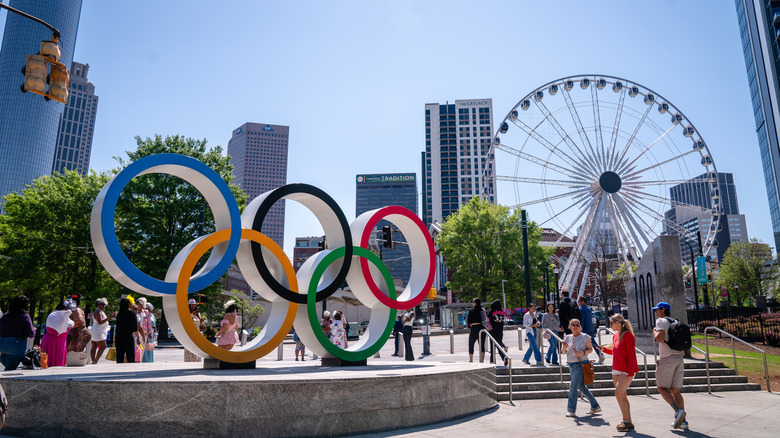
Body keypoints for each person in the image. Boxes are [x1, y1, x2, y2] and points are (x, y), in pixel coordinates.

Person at [653, 301, 688, 430]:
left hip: (667, 358)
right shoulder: (675, 321)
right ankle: (683, 422)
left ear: (663, 310)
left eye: (657, 310)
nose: (656, 312)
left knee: (661, 387)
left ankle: (678, 411)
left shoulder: (660, 322)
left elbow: (660, 338)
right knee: (676, 391)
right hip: (679, 357)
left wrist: (655, 332)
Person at [601, 313, 638, 432]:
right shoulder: (616, 335)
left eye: (611, 323)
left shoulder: (628, 335)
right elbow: (615, 352)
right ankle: (628, 421)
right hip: (616, 369)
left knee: (618, 393)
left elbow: (631, 355)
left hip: (626, 370)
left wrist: (631, 371)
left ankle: (625, 421)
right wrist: (604, 350)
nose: (610, 325)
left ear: (618, 323)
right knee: (622, 395)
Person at [561, 318, 601, 417]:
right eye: (573, 325)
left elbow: (590, 350)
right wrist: (564, 348)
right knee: (581, 386)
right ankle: (595, 406)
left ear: (580, 327)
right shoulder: (567, 337)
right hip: (571, 364)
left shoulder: (585, 337)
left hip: (581, 364)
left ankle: (571, 409)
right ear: (570, 327)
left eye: (577, 325)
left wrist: (582, 352)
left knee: (573, 386)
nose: (575, 327)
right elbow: (563, 352)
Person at [0, 296, 35, 371]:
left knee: (8, 366)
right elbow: (30, 334)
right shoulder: (24, 316)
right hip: (16, 345)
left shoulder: (5, 315)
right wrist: (34, 330)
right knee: (9, 370)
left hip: (2, 345)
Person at [41, 302, 74, 367]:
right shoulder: (61, 316)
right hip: (59, 341)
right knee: (58, 363)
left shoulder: (52, 314)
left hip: (51, 339)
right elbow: (71, 324)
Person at [578, 296, 605, 364]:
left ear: (582, 301)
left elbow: (583, 320)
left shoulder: (582, 310)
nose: (578, 302)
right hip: (590, 328)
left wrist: (581, 329)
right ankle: (600, 354)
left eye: (579, 301)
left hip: (585, 329)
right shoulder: (588, 309)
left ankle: (599, 355)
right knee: (593, 342)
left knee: (585, 343)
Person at [89, 298, 115, 364]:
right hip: (98, 331)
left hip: (95, 330)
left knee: (94, 346)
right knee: (103, 346)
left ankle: (93, 360)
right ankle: (95, 361)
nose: (104, 306)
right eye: (103, 304)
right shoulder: (98, 312)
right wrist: (109, 317)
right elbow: (100, 322)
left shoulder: (97, 311)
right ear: (98, 305)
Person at [114, 298, 138, 363]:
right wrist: (138, 337)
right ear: (128, 305)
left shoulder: (119, 314)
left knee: (119, 357)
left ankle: (118, 370)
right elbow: (135, 328)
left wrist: (114, 338)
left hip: (119, 337)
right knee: (130, 356)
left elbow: (117, 327)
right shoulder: (132, 313)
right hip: (128, 336)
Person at [487, 300, 508, 366]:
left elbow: (487, 318)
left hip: (492, 331)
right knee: (498, 344)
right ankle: (503, 357)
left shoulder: (492, 312)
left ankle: (492, 360)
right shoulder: (502, 312)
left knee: (492, 346)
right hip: (500, 331)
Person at [466, 298, 487, 363]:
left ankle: (471, 359)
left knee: (471, 343)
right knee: (482, 344)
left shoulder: (471, 310)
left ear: (475, 303)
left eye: (473, 301)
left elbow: (469, 320)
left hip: (474, 328)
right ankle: (481, 360)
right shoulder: (482, 310)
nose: (472, 303)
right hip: (482, 328)